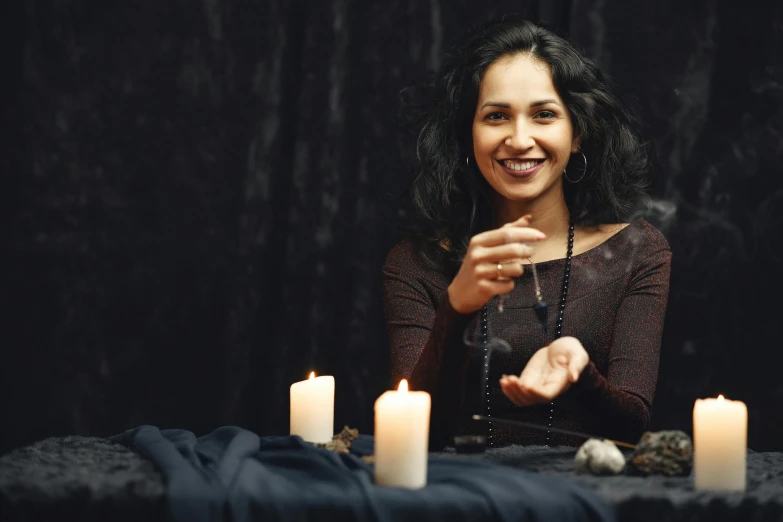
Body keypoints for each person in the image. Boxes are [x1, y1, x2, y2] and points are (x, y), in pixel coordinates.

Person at [382, 17, 671, 449]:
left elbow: (630, 429)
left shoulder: (637, 252)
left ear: (578, 133)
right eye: (496, 116)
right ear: (468, 135)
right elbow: (411, 436)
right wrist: (456, 306)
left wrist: (579, 373)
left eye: (544, 115)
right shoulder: (414, 264)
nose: (519, 139)